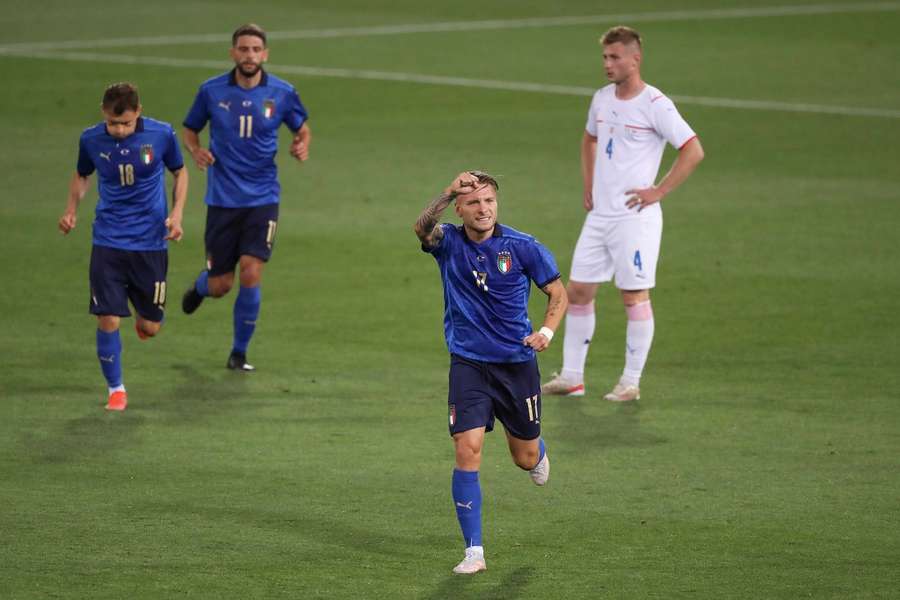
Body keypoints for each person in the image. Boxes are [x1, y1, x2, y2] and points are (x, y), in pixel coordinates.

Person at [415, 170, 568, 574]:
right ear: (460, 209)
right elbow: (422, 227)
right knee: (467, 450)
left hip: (516, 366)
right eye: (474, 203)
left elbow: (557, 291)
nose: (483, 210)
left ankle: (539, 451)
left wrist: (547, 331)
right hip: (467, 363)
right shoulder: (447, 242)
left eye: (489, 202)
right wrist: (447, 191)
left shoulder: (522, 247)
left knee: (525, 456)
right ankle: (474, 551)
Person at [542, 26, 704, 402]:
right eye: (604, 57)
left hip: (635, 217)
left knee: (633, 296)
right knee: (578, 291)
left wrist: (658, 191)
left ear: (636, 58)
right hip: (600, 215)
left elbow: (693, 149)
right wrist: (589, 184)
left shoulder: (655, 105)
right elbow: (589, 139)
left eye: (615, 57)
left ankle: (630, 382)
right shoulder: (601, 99)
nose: (608, 64)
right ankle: (572, 377)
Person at [180, 23, 311, 371]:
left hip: (263, 198)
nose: (249, 55)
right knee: (222, 284)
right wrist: (195, 151)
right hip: (222, 200)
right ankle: (200, 287)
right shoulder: (211, 92)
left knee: (251, 272)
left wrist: (301, 144)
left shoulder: (282, 93)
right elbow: (190, 129)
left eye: (256, 49)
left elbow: (302, 127)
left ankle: (239, 353)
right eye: (243, 49)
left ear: (265, 54)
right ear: (233, 53)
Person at [59, 82, 188, 411]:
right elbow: (82, 174)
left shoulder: (161, 135)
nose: (118, 130)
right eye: (113, 123)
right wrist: (71, 210)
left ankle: (135, 306)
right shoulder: (90, 139)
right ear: (103, 113)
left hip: (150, 242)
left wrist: (176, 214)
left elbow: (180, 172)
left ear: (139, 113)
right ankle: (116, 389)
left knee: (150, 326)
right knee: (108, 318)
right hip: (109, 239)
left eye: (126, 123)